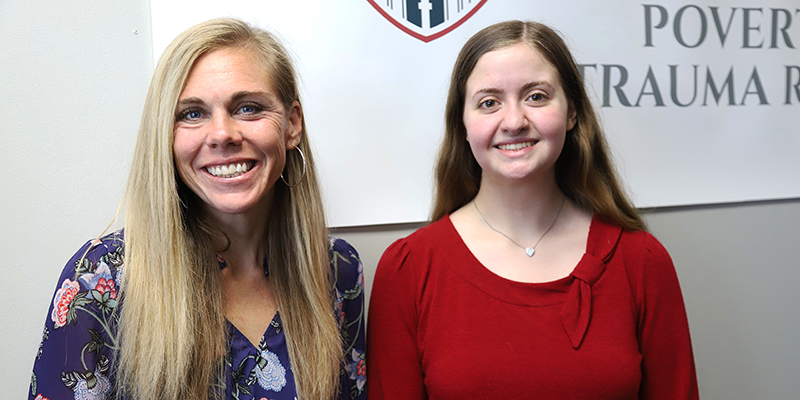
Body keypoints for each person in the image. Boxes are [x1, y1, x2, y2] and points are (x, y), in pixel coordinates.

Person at [30, 18, 366, 400]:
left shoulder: (336, 271)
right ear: (165, 136)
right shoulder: (99, 279)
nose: (222, 134)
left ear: (291, 124)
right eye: (192, 113)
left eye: (249, 107)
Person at [367, 20, 698, 399]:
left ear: (572, 112)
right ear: (462, 124)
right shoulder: (409, 270)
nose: (514, 122)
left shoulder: (641, 262)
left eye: (536, 97)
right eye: (489, 103)